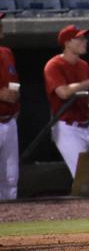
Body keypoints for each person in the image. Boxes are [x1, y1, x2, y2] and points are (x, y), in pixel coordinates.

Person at [44, 25, 89, 178]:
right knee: (83, 175)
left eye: (84, 38)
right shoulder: (54, 65)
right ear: (67, 43)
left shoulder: (83, 65)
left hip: (86, 125)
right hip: (66, 127)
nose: (85, 42)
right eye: (79, 39)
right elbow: (63, 93)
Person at [0, 13, 20, 200]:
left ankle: (12, 219)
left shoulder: (6, 52)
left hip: (9, 119)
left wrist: (15, 99)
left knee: (11, 175)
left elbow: (13, 82)